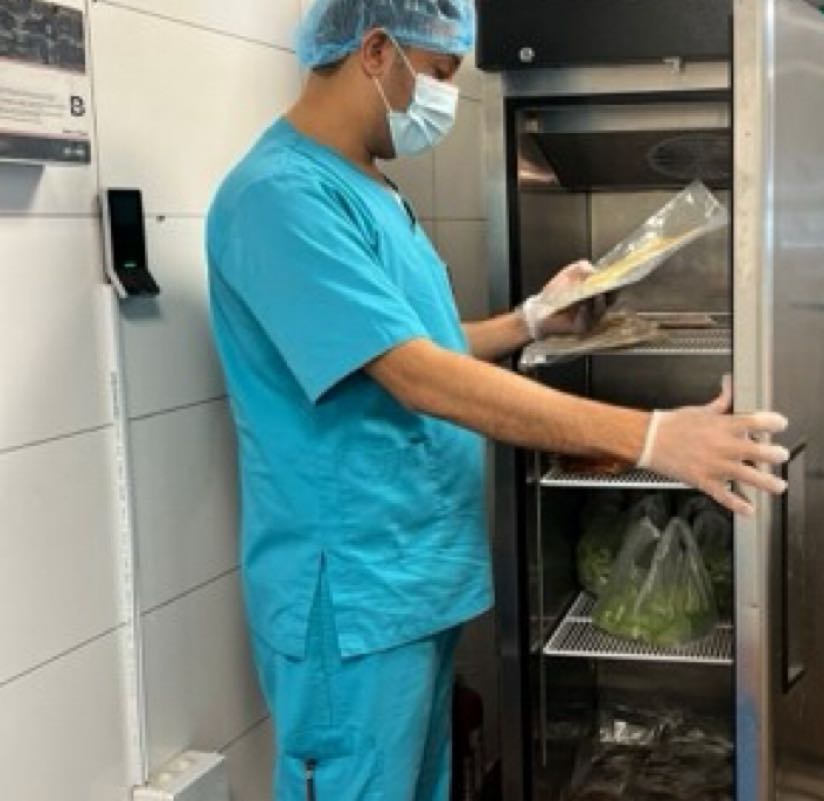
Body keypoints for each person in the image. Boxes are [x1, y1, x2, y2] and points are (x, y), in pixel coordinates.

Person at [205, 1, 789, 799]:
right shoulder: (280, 198)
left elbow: (423, 341)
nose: (445, 98)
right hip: (351, 596)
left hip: (411, 577)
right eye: (440, 72)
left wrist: (531, 320)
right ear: (375, 51)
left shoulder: (370, 189)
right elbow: (418, 374)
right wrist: (650, 436)